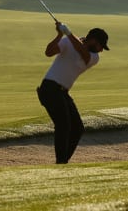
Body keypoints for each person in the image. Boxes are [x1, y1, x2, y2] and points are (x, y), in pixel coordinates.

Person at [37, 22, 109, 164]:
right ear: (94, 40)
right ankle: (61, 163)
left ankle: (63, 161)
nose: (101, 50)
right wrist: (59, 35)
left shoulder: (94, 57)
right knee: (63, 125)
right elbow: (48, 52)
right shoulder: (68, 42)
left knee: (77, 128)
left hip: (62, 92)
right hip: (49, 89)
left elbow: (82, 52)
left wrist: (69, 34)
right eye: (101, 46)